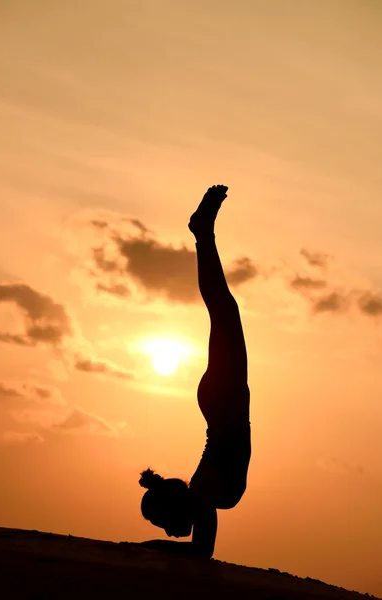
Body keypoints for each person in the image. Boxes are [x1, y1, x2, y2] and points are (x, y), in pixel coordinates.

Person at [138, 185, 251, 559]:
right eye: (161, 529)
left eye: (162, 524)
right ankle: (203, 232)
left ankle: (203, 232)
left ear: (176, 507)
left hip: (225, 402)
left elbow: (200, 553)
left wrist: (148, 550)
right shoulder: (204, 494)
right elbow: (200, 549)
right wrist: (149, 547)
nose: (170, 533)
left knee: (223, 308)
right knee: (223, 309)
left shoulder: (204, 493)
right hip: (221, 403)